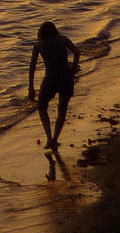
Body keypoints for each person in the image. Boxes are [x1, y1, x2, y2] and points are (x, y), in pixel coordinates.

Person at [28, 21, 82, 153]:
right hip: (66, 78)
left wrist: (31, 87)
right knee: (62, 109)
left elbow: (32, 67)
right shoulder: (62, 39)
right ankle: (55, 138)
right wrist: (73, 68)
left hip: (50, 80)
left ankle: (49, 137)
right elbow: (76, 51)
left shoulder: (39, 45)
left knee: (42, 107)